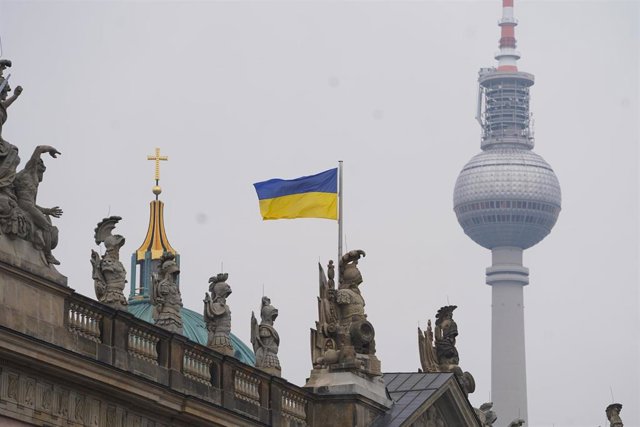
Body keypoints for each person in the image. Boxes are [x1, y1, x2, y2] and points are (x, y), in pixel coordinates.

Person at [13, 145, 62, 264]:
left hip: (28, 206)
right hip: (24, 205)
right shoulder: (29, 170)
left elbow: (33, 204)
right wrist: (50, 149)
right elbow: (38, 148)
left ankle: (39, 240)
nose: (42, 165)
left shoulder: (34, 180)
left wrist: (47, 211)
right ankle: (48, 255)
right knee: (47, 226)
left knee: (44, 222)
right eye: (40, 163)